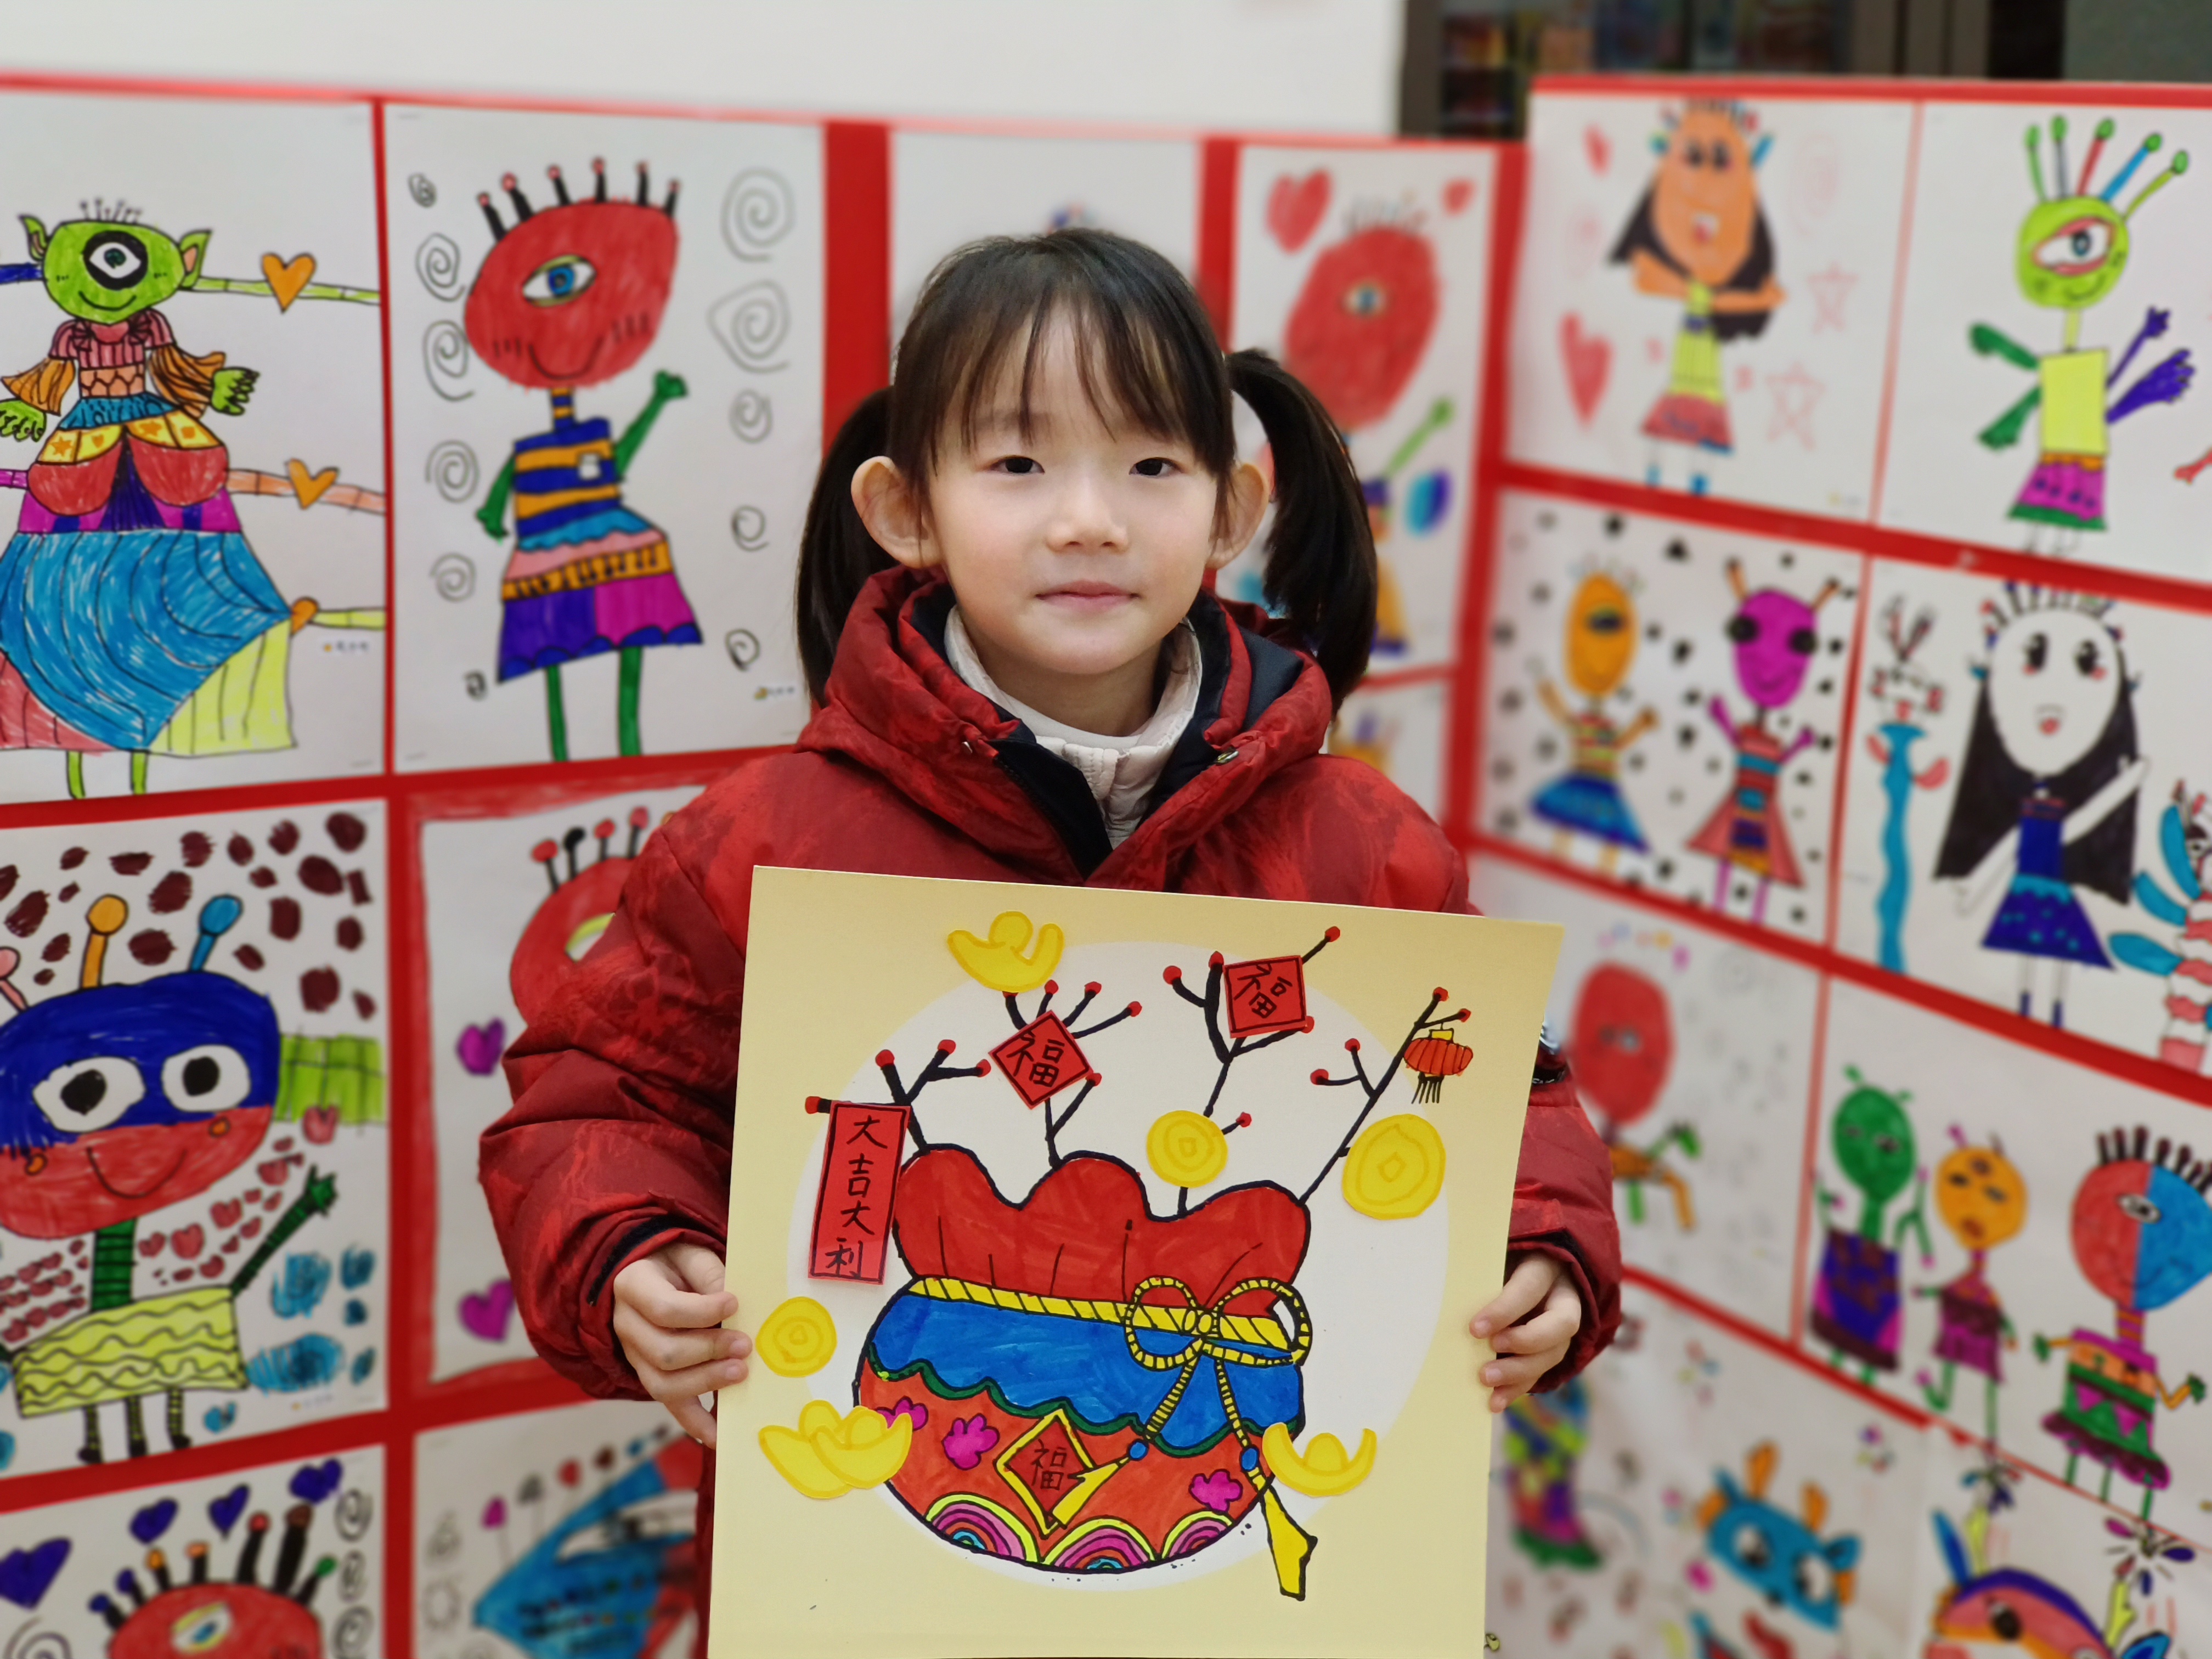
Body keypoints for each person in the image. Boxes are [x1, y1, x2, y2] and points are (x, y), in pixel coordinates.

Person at [482, 227, 1620, 1634]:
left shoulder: (1360, 848)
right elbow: (597, 1099)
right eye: (1018, 464)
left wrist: (1541, 1247)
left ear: (1231, 509)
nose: (1089, 519)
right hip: (872, 1596)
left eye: (1150, 466)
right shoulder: (767, 841)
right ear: (907, 509)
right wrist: (628, 1253)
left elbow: (1502, 1094)